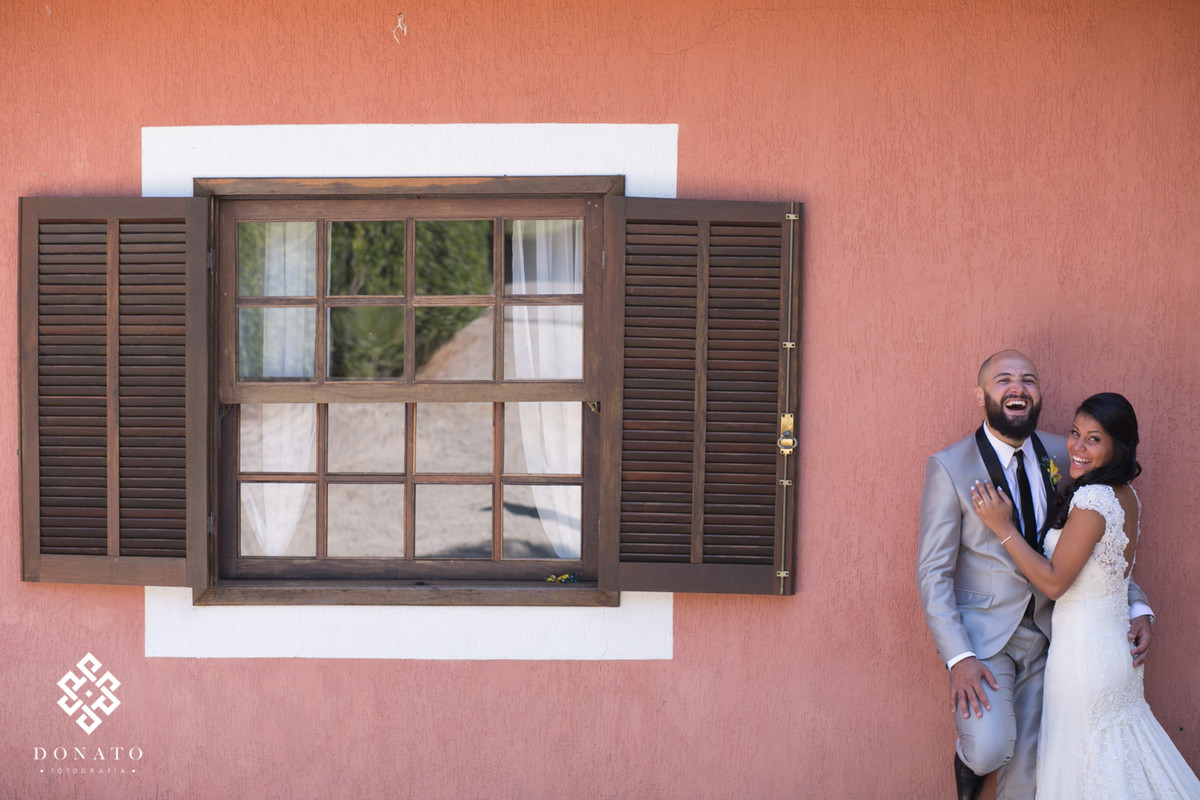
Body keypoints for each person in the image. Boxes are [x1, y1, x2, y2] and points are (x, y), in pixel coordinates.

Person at [917, 351, 1153, 800]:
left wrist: (1136, 603)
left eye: (1028, 379)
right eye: (1003, 379)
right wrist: (958, 658)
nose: (1017, 388)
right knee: (988, 751)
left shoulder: (1069, 452)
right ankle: (970, 762)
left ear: (1038, 394)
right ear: (981, 395)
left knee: (1028, 779)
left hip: (1052, 636)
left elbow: (1100, 543)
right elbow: (933, 572)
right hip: (985, 639)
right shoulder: (949, 467)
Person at [971, 392, 1200, 798]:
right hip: (1107, 648)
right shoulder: (1124, 493)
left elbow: (1054, 582)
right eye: (1075, 433)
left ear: (1118, 447)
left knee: (1089, 768)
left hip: (1085, 660)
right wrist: (1140, 608)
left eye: (1094, 439)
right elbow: (1107, 574)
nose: (1076, 446)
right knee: (1115, 762)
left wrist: (1002, 527)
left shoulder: (1094, 499)